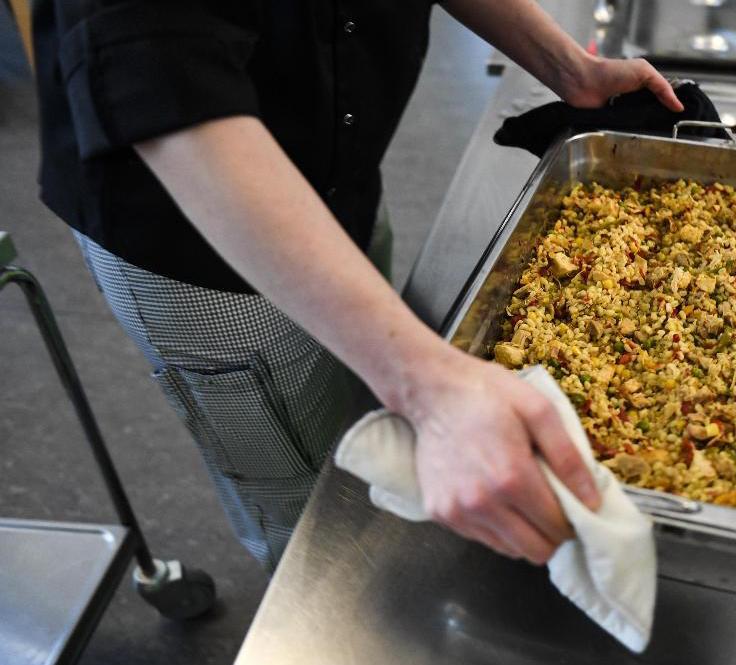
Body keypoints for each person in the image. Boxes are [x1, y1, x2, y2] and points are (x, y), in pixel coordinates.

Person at [32, 0, 683, 571]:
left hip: (337, 166)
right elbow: (155, 72)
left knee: (366, 407)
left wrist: (568, 69)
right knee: (305, 503)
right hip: (201, 246)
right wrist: (426, 385)